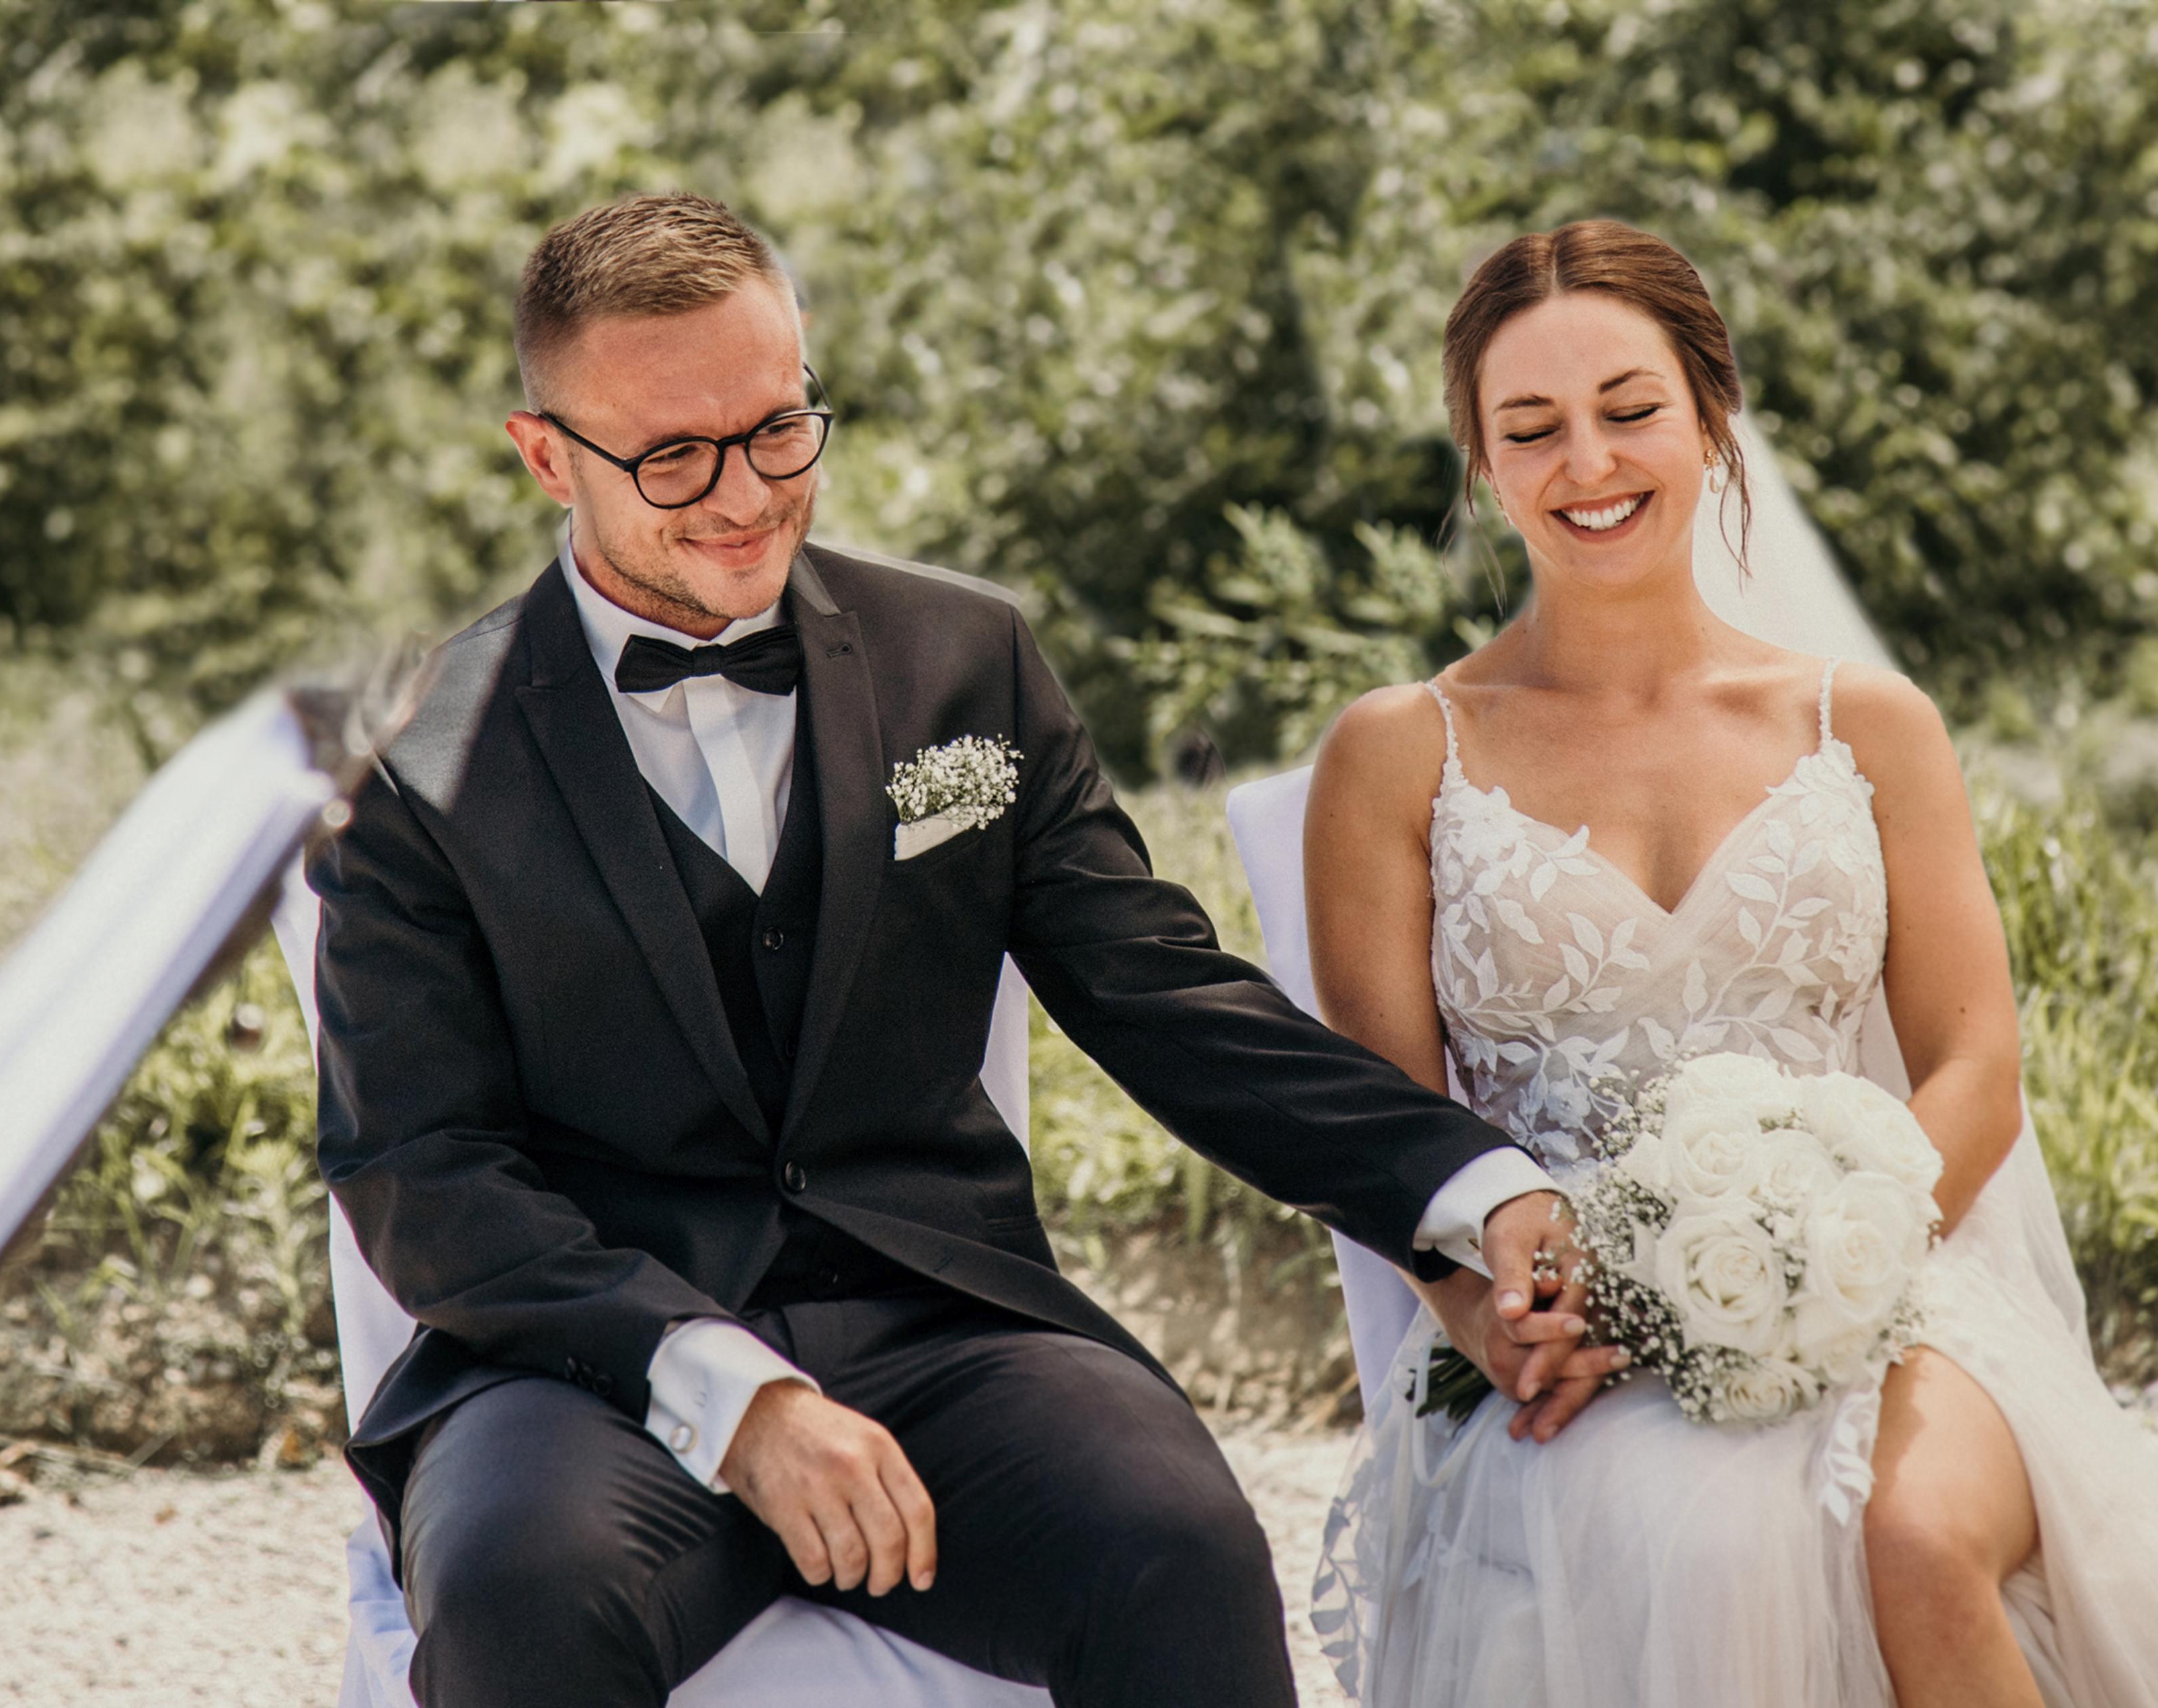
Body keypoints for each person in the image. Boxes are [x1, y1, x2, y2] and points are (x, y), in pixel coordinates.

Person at [309, 190, 1582, 1708]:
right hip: (581, 1372)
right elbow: (423, 1169)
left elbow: (1162, 994)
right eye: (672, 457)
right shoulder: (412, 756)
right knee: (521, 1599)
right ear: (543, 455)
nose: (743, 495)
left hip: (939, 1326)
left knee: (1181, 1549)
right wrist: (735, 1397)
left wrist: (1473, 1186)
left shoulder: (964, 661)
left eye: (778, 428)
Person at [1305, 219, 2158, 1708]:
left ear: (1714, 417)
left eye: (1629, 409)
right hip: (1564, 1325)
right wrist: (1499, 1322)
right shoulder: (1399, 753)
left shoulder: (1867, 724)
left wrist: (1817, 1263)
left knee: (1913, 1537)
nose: (1588, 462)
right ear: (1481, 462)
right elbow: (1380, 1122)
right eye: (1531, 428)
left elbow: (1974, 1066)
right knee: (1709, 1546)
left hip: (1885, 1276)